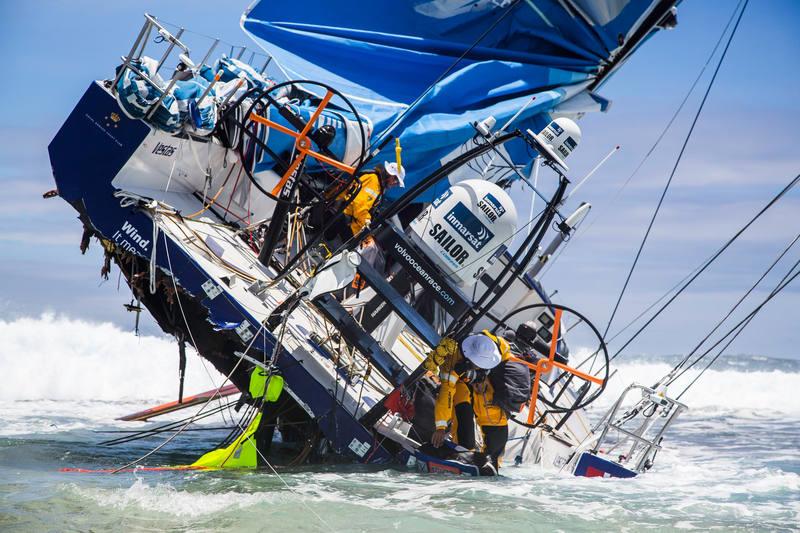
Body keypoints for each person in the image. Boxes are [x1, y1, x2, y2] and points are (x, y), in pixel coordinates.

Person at [423, 330, 511, 463]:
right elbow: (446, 393)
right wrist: (440, 427)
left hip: (482, 383)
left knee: (494, 417)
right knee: (463, 414)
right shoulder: (453, 362)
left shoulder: (498, 345)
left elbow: (506, 359)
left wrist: (485, 378)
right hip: (459, 384)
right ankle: (463, 453)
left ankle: (494, 461)